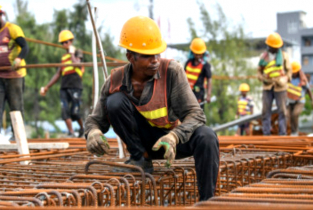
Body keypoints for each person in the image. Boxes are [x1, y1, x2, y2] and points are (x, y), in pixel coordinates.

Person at [84, 16, 219, 201]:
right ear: (130, 57)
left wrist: (174, 136)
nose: (155, 60)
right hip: (143, 143)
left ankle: (207, 201)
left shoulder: (172, 71)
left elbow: (196, 115)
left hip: (170, 143)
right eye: (148, 56)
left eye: (157, 54)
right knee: (114, 101)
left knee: (207, 137)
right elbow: (95, 119)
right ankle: (141, 159)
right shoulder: (115, 80)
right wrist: (92, 132)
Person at [0, 0, 29, 143]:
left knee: (15, 106)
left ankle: (18, 134)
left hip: (15, 75)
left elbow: (25, 47)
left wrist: (19, 59)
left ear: (0, 14)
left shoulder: (13, 29)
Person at [40, 30, 85, 137]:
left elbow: (76, 65)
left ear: (71, 41)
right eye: (62, 43)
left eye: (66, 42)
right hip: (64, 86)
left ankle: (82, 128)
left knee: (75, 112)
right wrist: (47, 87)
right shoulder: (63, 58)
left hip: (75, 85)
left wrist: (71, 53)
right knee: (64, 110)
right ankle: (71, 132)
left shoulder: (77, 52)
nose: (64, 44)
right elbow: (58, 74)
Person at [257, 32, 291, 136]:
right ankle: (266, 133)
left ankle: (282, 134)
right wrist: (262, 78)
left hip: (280, 87)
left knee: (282, 111)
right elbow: (259, 71)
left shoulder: (284, 56)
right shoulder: (263, 57)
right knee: (265, 111)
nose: (275, 49)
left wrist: (285, 79)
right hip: (267, 86)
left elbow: (289, 71)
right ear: (269, 46)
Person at [184, 38, 212, 109]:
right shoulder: (188, 62)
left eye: (200, 54)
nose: (198, 55)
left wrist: (208, 95)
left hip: (198, 94)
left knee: (197, 114)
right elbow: (182, 76)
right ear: (192, 52)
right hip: (187, 94)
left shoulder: (205, 65)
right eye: (196, 53)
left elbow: (209, 80)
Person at [286, 61, 313, 136]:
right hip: (289, 101)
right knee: (287, 115)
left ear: (298, 71)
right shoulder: (288, 78)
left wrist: (312, 100)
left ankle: (294, 132)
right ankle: (290, 131)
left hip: (300, 101)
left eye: (295, 72)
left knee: (295, 114)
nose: (294, 73)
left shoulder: (303, 80)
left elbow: (308, 90)